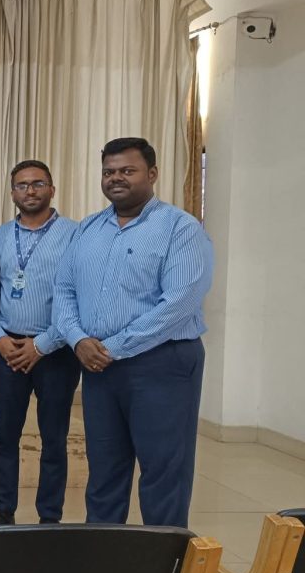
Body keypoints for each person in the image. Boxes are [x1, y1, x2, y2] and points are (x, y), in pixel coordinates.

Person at [54, 137, 212, 528]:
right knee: (104, 471)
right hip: (98, 367)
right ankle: (104, 555)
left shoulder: (180, 228)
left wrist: (111, 347)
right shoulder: (88, 228)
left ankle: (164, 561)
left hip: (162, 364)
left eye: (128, 170)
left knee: (163, 472)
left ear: (152, 174)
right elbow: (64, 290)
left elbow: (179, 304)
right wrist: (77, 339)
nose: (116, 178)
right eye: (109, 172)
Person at [0, 160, 80, 526]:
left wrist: (43, 344)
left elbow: (79, 297)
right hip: (8, 351)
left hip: (56, 352)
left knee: (54, 438)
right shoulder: (0, 236)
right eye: (22, 185)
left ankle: (49, 518)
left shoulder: (75, 234)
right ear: (12, 194)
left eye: (38, 183)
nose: (30, 191)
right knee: (5, 435)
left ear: (52, 189)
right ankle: (1, 511)